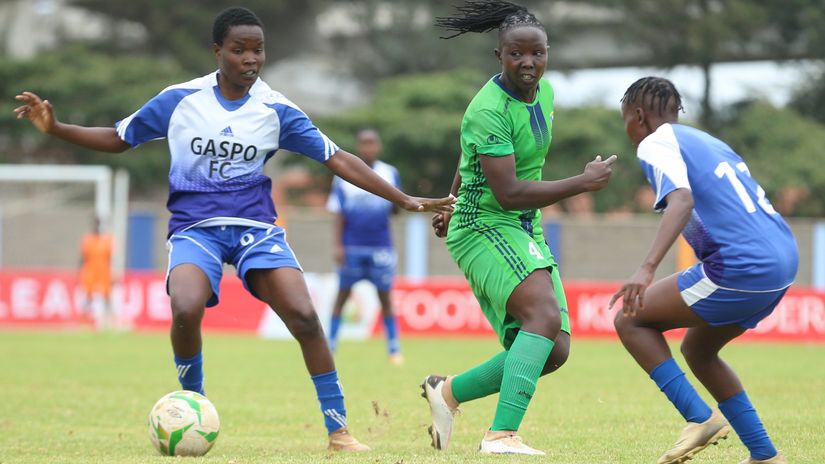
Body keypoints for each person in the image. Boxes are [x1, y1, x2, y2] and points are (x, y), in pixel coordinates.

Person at [13, 6, 454, 452]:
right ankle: (194, 404)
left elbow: (337, 158)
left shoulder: (276, 108)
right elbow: (119, 138)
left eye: (258, 50)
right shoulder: (180, 100)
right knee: (185, 306)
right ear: (218, 50)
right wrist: (56, 128)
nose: (250, 58)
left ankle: (338, 430)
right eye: (239, 49)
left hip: (256, 230)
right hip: (195, 228)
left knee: (303, 315)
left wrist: (404, 199)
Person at [423, 1, 616, 455]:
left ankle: (446, 392)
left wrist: (447, 199)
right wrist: (582, 183)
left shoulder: (545, 95)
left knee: (554, 350)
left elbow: (468, 159)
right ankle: (501, 436)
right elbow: (507, 191)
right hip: (485, 223)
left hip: (522, 225)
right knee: (543, 318)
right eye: (516, 55)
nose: (528, 63)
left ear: (547, 54)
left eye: (537, 54)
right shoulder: (487, 108)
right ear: (498, 56)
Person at [610, 76, 796, 464]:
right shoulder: (709, 142)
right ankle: (764, 455)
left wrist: (646, 269)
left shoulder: (655, 141)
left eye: (626, 119)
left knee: (630, 320)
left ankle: (699, 419)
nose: (627, 130)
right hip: (783, 260)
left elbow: (681, 200)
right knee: (699, 348)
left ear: (639, 116)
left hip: (743, 267)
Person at [326, 128, 403, 365]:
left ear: (378, 146)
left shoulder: (390, 173)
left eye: (372, 143)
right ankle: (330, 346)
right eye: (364, 143)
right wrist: (338, 245)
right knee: (342, 296)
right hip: (352, 246)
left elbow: (397, 208)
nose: (368, 147)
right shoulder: (343, 174)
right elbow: (338, 214)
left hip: (380, 246)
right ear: (359, 147)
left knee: (385, 298)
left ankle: (393, 349)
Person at [79, 217, 113, 326]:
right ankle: (84, 320)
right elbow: (83, 257)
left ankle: (109, 320)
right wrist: (80, 272)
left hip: (103, 270)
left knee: (107, 295)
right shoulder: (88, 240)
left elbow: (109, 258)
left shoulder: (106, 240)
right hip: (90, 270)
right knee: (88, 295)